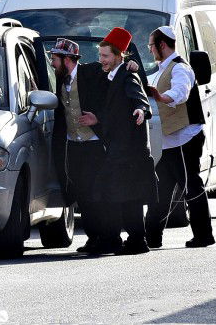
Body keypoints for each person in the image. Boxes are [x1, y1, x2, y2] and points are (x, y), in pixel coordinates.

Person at [83, 27, 157, 255]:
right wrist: (98, 119)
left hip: (129, 152)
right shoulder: (112, 74)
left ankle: (136, 241)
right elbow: (115, 112)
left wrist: (141, 111)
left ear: (118, 55)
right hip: (118, 150)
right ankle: (119, 239)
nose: (101, 60)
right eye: (100, 56)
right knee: (117, 196)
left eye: (105, 56)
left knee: (128, 198)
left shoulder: (128, 75)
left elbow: (139, 99)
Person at [144, 25, 214, 249]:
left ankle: (204, 235)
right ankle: (152, 237)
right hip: (167, 140)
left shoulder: (180, 68)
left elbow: (181, 93)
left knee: (191, 187)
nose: (150, 50)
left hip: (184, 138)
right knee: (161, 190)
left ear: (161, 45)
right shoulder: (161, 69)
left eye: (151, 45)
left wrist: (163, 97)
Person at [47, 38, 112, 254]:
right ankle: (94, 237)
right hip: (73, 146)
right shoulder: (61, 79)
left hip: (94, 145)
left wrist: (98, 119)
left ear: (67, 59)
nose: (52, 63)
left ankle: (107, 238)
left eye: (54, 58)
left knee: (98, 193)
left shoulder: (92, 72)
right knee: (82, 194)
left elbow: (116, 89)